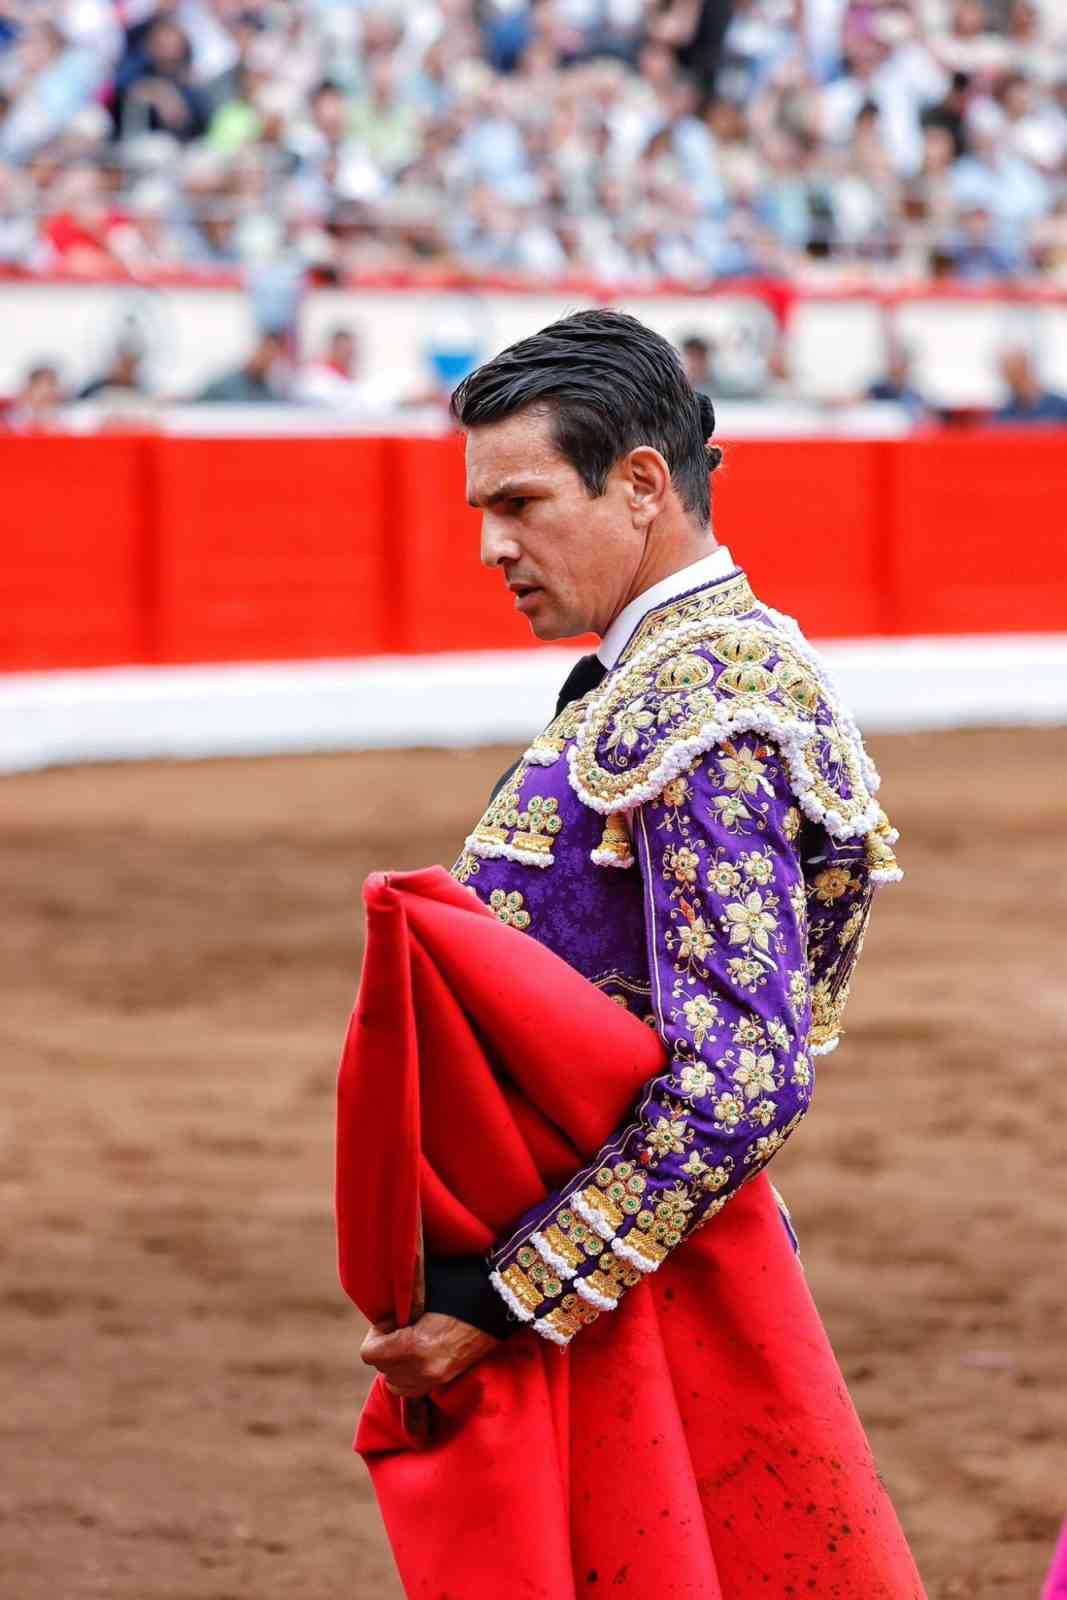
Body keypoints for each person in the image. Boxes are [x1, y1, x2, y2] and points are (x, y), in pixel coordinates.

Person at [358, 309, 922, 1591]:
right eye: (482, 510)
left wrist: (506, 1298)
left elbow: (741, 1080)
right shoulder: (672, 676)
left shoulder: (702, 700)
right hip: (630, 1263)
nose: (493, 546)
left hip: (627, 1289)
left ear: (642, 483)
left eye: (520, 502)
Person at [195, 330, 289, 403]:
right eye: (264, 351)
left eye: (271, 355)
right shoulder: (226, 385)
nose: (266, 358)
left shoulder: (269, 393)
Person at [993, 344, 1067, 424]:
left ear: (1027, 367)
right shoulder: (1006, 414)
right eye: (1009, 372)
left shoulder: (1060, 407)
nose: (1014, 377)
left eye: (1016, 370)